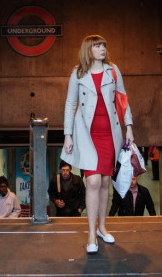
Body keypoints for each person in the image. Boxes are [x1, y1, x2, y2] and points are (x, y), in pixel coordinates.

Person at [61, 34, 134, 254]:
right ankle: (91, 233)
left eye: (103, 45)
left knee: (104, 183)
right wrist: (67, 134)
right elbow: (70, 103)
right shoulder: (78, 73)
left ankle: (102, 227)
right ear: (88, 50)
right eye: (97, 46)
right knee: (92, 182)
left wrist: (129, 126)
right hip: (86, 134)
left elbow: (122, 100)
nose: (102, 49)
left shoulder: (113, 70)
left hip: (110, 134)